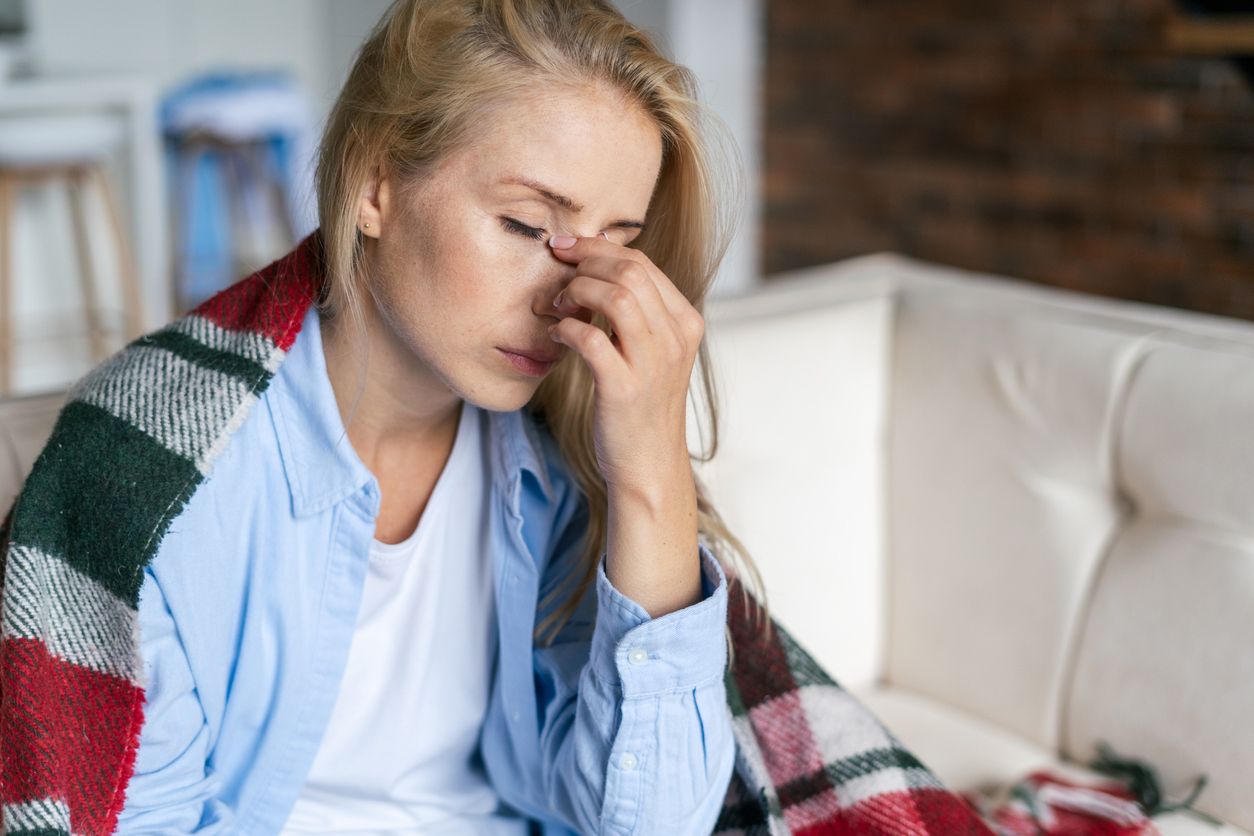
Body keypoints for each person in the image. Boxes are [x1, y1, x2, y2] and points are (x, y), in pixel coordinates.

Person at [110, 0, 769, 832]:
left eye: (610, 247)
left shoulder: (561, 469)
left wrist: (652, 479)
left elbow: (652, 823)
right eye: (529, 225)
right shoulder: (156, 472)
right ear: (376, 184)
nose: (569, 295)